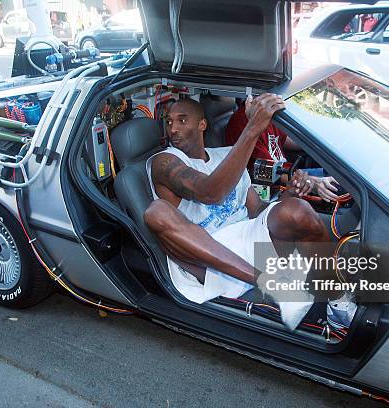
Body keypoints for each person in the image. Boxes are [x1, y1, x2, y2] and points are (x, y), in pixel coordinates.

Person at [144, 96, 356, 329]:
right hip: (205, 254)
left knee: (298, 211)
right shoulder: (163, 162)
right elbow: (210, 193)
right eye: (169, 121)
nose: (173, 128)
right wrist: (253, 127)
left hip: (247, 239)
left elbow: (257, 212)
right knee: (157, 211)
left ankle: (338, 304)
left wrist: (291, 195)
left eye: (182, 120)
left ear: (202, 124)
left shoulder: (225, 156)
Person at [225, 100, 342, 203]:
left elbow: (291, 141)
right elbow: (267, 173)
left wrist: (328, 140)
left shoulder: (267, 114)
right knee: (338, 183)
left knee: (337, 172)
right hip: (274, 187)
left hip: (289, 174)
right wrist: (312, 183)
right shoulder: (245, 122)